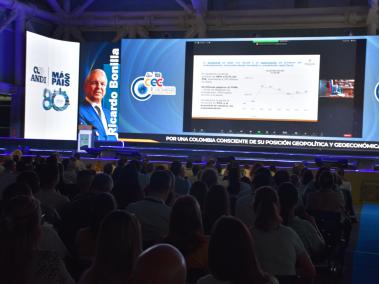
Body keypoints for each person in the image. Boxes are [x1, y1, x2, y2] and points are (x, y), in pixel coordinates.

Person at [79, 69, 117, 141]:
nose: (99, 87)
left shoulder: (110, 114)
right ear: (86, 86)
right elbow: (85, 140)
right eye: (94, 83)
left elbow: (117, 138)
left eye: (102, 84)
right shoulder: (79, 112)